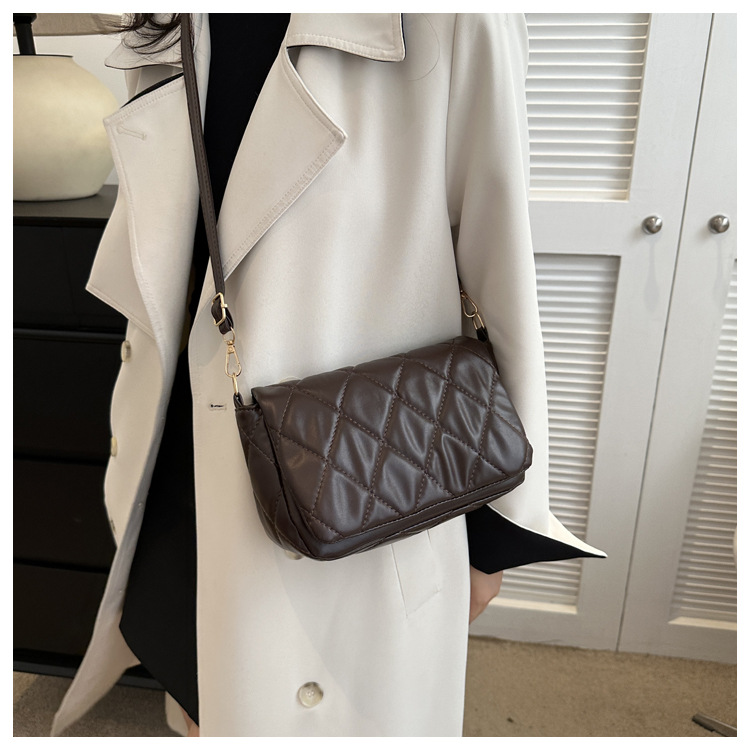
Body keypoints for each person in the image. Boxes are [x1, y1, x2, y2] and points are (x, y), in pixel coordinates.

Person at [52, 13, 604, 737]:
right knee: (198, 700)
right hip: (182, 472)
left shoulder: (454, 19)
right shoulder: (179, 19)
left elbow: (499, 263)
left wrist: (500, 528)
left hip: (358, 488)